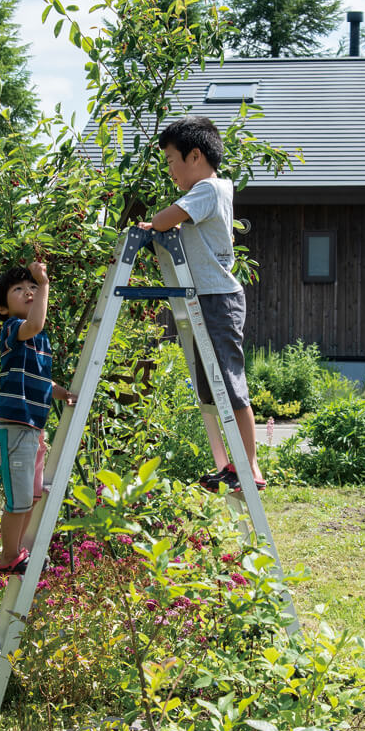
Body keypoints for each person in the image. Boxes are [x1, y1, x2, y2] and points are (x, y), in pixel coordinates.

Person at [137, 116, 264, 492]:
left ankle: (250, 468)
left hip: (218, 298)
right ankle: (234, 466)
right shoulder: (211, 192)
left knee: (230, 383)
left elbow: (166, 219)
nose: (171, 171)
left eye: (172, 160)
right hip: (208, 296)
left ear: (195, 156)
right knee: (213, 385)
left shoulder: (208, 189)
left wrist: (153, 225)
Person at [0, 260, 75, 574]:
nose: (29, 292)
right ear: (3, 309)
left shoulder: (39, 341)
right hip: (10, 432)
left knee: (33, 496)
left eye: (32, 287)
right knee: (19, 500)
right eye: (19, 289)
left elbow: (39, 379)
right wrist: (45, 284)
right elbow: (35, 323)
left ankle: (18, 550)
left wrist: (60, 392)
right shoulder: (12, 330)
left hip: (31, 431)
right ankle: (8, 557)